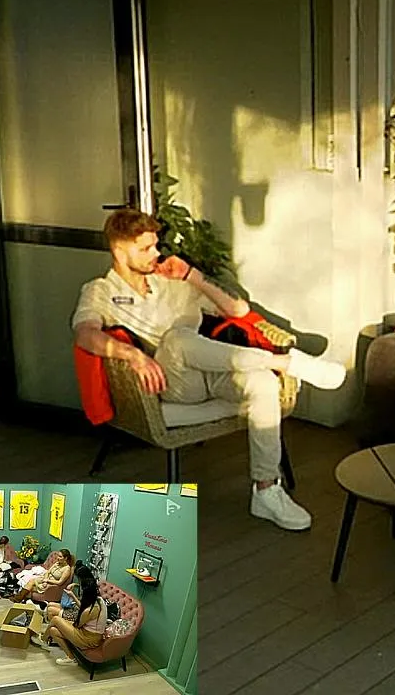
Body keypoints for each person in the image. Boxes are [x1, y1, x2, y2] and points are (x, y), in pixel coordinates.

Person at [72, 207, 347, 532]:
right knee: (177, 339)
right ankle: (286, 363)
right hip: (171, 385)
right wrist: (133, 355)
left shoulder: (169, 281)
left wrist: (192, 275)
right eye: (146, 248)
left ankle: (266, 490)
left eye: (156, 245)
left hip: (210, 371)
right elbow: (85, 334)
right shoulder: (100, 291)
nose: (156, 253)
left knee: (262, 384)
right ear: (120, 251)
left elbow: (238, 310)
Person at [39, 565, 107, 666]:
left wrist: (65, 624)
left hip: (89, 639)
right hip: (86, 631)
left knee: (56, 619)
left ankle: (43, 639)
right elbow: (81, 613)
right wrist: (72, 596)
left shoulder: (90, 610)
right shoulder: (98, 600)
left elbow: (78, 624)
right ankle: (71, 658)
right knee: (53, 630)